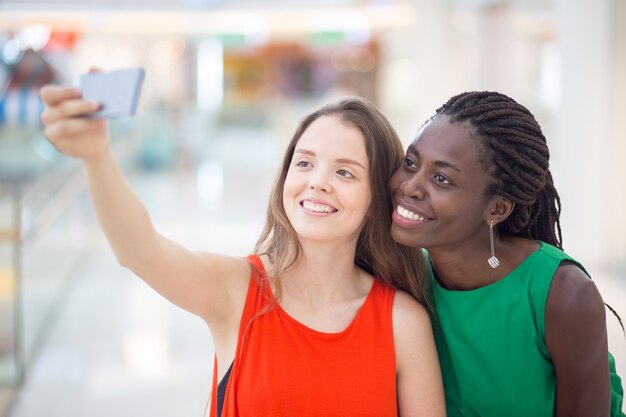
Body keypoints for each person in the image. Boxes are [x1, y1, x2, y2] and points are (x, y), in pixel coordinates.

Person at [39, 85, 446, 417]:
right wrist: (97, 158)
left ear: (377, 198)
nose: (317, 182)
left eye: (344, 172)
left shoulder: (402, 323)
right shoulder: (236, 291)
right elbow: (138, 250)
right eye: (304, 164)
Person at [389, 90, 625, 417]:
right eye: (410, 163)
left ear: (497, 208)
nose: (409, 186)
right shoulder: (406, 279)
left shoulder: (563, 295)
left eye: (441, 178)